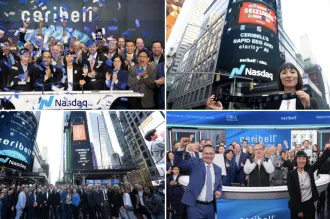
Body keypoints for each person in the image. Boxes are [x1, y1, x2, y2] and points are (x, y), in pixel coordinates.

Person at [205, 62, 318, 110]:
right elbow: (254, 122)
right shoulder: (271, 102)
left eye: (292, 72)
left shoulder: (311, 102)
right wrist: (220, 110)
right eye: (284, 73)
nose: (288, 75)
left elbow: (320, 126)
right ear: (280, 78)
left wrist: (307, 107)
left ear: (298, 76)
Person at [174, 138, 222, 219]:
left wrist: (219, 191)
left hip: (211, 207)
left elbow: (219, 185)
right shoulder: (194, 163)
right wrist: (181, 147)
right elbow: (178, 163)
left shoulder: (218, 169)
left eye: (211, 153)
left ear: (214, 155)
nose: (209, 156)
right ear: (202, 154)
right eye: (206, 153)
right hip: (195, 207)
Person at [287, 149, 330, 219]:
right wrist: (298, 210)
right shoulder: (291, 174)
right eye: (299, 159)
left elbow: (320, 161)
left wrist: (328, 150)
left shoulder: (309, 170)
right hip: (296, 206)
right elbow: (292, 193)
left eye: (303, 159)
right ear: (296, 160)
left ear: (306, 160)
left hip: (309, 205)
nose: (301, 161)